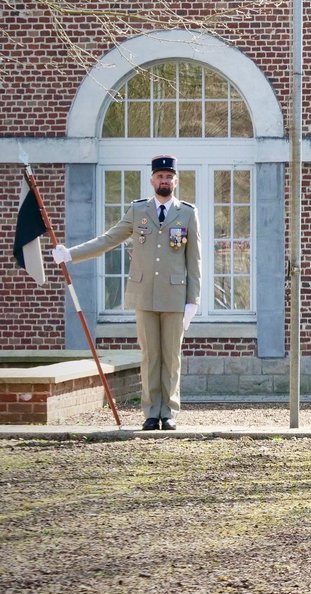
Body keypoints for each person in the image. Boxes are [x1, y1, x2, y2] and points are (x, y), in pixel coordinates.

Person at [53, 155, 202, 431]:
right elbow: (109, 239)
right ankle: (150, 412)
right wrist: (70, 255)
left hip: (174, 297)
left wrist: (193, 300)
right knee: (150, 356)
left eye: (169, 176)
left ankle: (168, 412)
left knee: (171, 357)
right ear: (152, 180)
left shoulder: (187, 213)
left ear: (176, 180)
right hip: (144, 294)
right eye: (160, 176)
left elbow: (194, 261)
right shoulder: (138, 211)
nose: (164, 180)